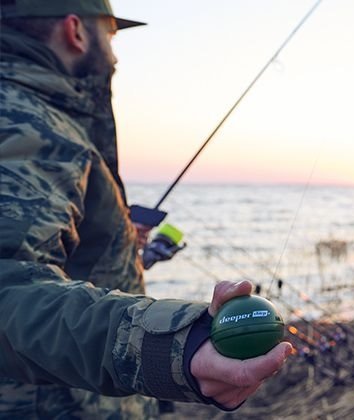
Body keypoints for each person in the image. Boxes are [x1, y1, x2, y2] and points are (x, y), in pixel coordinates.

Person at [0, 1, 291, 418]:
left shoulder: (32, 117)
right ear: (75, 31)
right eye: (111, 36)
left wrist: (115, 244)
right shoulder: (26, 123)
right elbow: (8, 286)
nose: (115, 56)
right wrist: (171, 346)